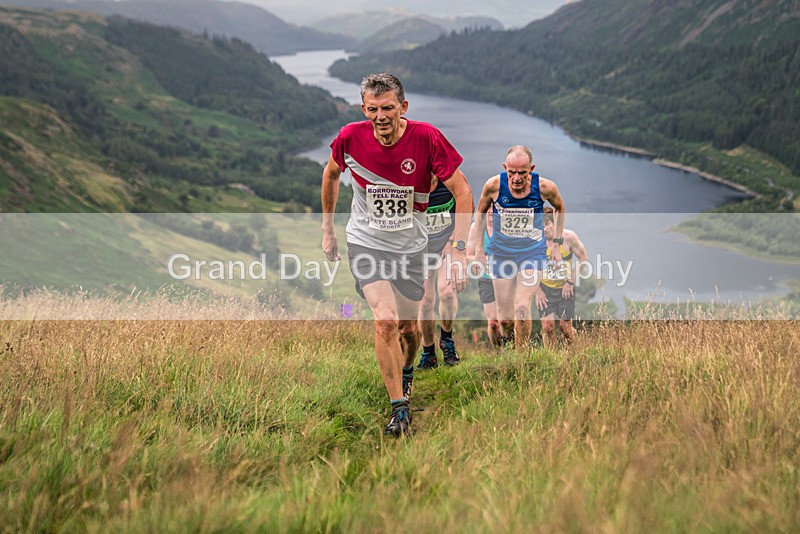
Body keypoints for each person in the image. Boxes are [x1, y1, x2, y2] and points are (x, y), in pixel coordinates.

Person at [321, 73, 473, 437]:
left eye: (388, 108)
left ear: (403, 107)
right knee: (386, 321)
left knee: (408, 329)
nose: (380, 116)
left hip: (410, 248)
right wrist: (327, 229)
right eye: (372, 109)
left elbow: (463, 192)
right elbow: (330, 176)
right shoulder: (349, 138)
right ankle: (399, 409)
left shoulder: (426, 137)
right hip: (366, 243)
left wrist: (459, 247)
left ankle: (406, 374)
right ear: (364, 109)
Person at [471, 145, 565, 351]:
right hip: (501, 254)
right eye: (511, 172)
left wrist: (556, 245)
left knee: (522, 307)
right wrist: (479, 251)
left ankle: (522, 360)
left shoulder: (545, 187)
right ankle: (509, 349)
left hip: (532, 253)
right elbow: (479, 215)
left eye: (522, 173)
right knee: (504, 321)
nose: (516, 178)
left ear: (531, 169)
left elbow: (559, 208)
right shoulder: (493, 186)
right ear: (505, 167)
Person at [417, 179, 473, 369]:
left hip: (446, 244)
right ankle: (428, 352)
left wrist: (453, 242)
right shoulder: (410, 177)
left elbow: (467, 205)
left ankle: (447, 341)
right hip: (420, 247)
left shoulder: (450, 177)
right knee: (425, 301)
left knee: (447, 292)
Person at [535, 206, 588, 348]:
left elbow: (583, 259)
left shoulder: (568, 237)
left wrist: (570, 282)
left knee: (565, 327)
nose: (544, 229)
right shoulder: (535, 241)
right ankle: (551, 359)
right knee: (548, 327)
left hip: (565, 288)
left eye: (547, 225)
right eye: (541, 226)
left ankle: (574, 352)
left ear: (555, 224)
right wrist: (537, 290)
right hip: (544, 288)